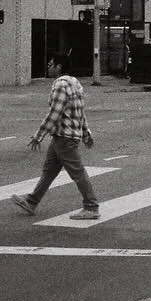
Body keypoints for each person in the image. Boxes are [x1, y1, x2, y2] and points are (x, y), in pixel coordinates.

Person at [12, 56, 99, 220]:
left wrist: (39, 135)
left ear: (59, 67)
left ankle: (91, 206)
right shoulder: (75, 82)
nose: (48, 66)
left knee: (77, 172)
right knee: (49, 171)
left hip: (64, 137)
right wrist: (86, 133)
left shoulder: (60, 84)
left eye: (51, 64)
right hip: (64, 136)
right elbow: (79, 111)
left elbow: (55, 113)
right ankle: (31, 201)